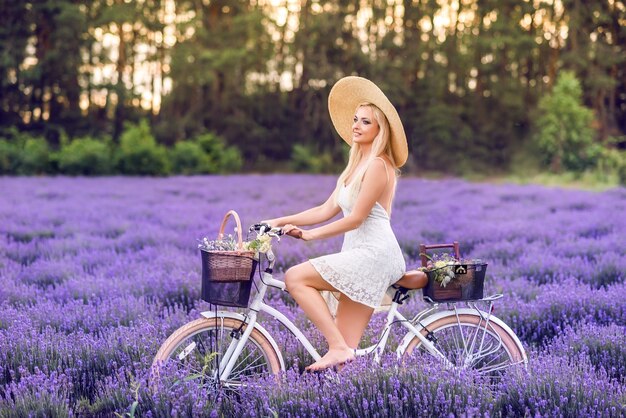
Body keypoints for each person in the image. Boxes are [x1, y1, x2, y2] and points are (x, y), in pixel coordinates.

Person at [264, 76, 424, 371]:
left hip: (375, 255)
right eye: (355, 120)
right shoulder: (355, 166)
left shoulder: (378, 165)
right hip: (360, 255)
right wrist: (278, 220)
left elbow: (356, 218)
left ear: (379, 130)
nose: (356, 126)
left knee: (296, 277)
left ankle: (337, 348)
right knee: (346, 358)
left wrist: (310, 237)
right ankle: (342, 356)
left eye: (365, 122)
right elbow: (326, 209)